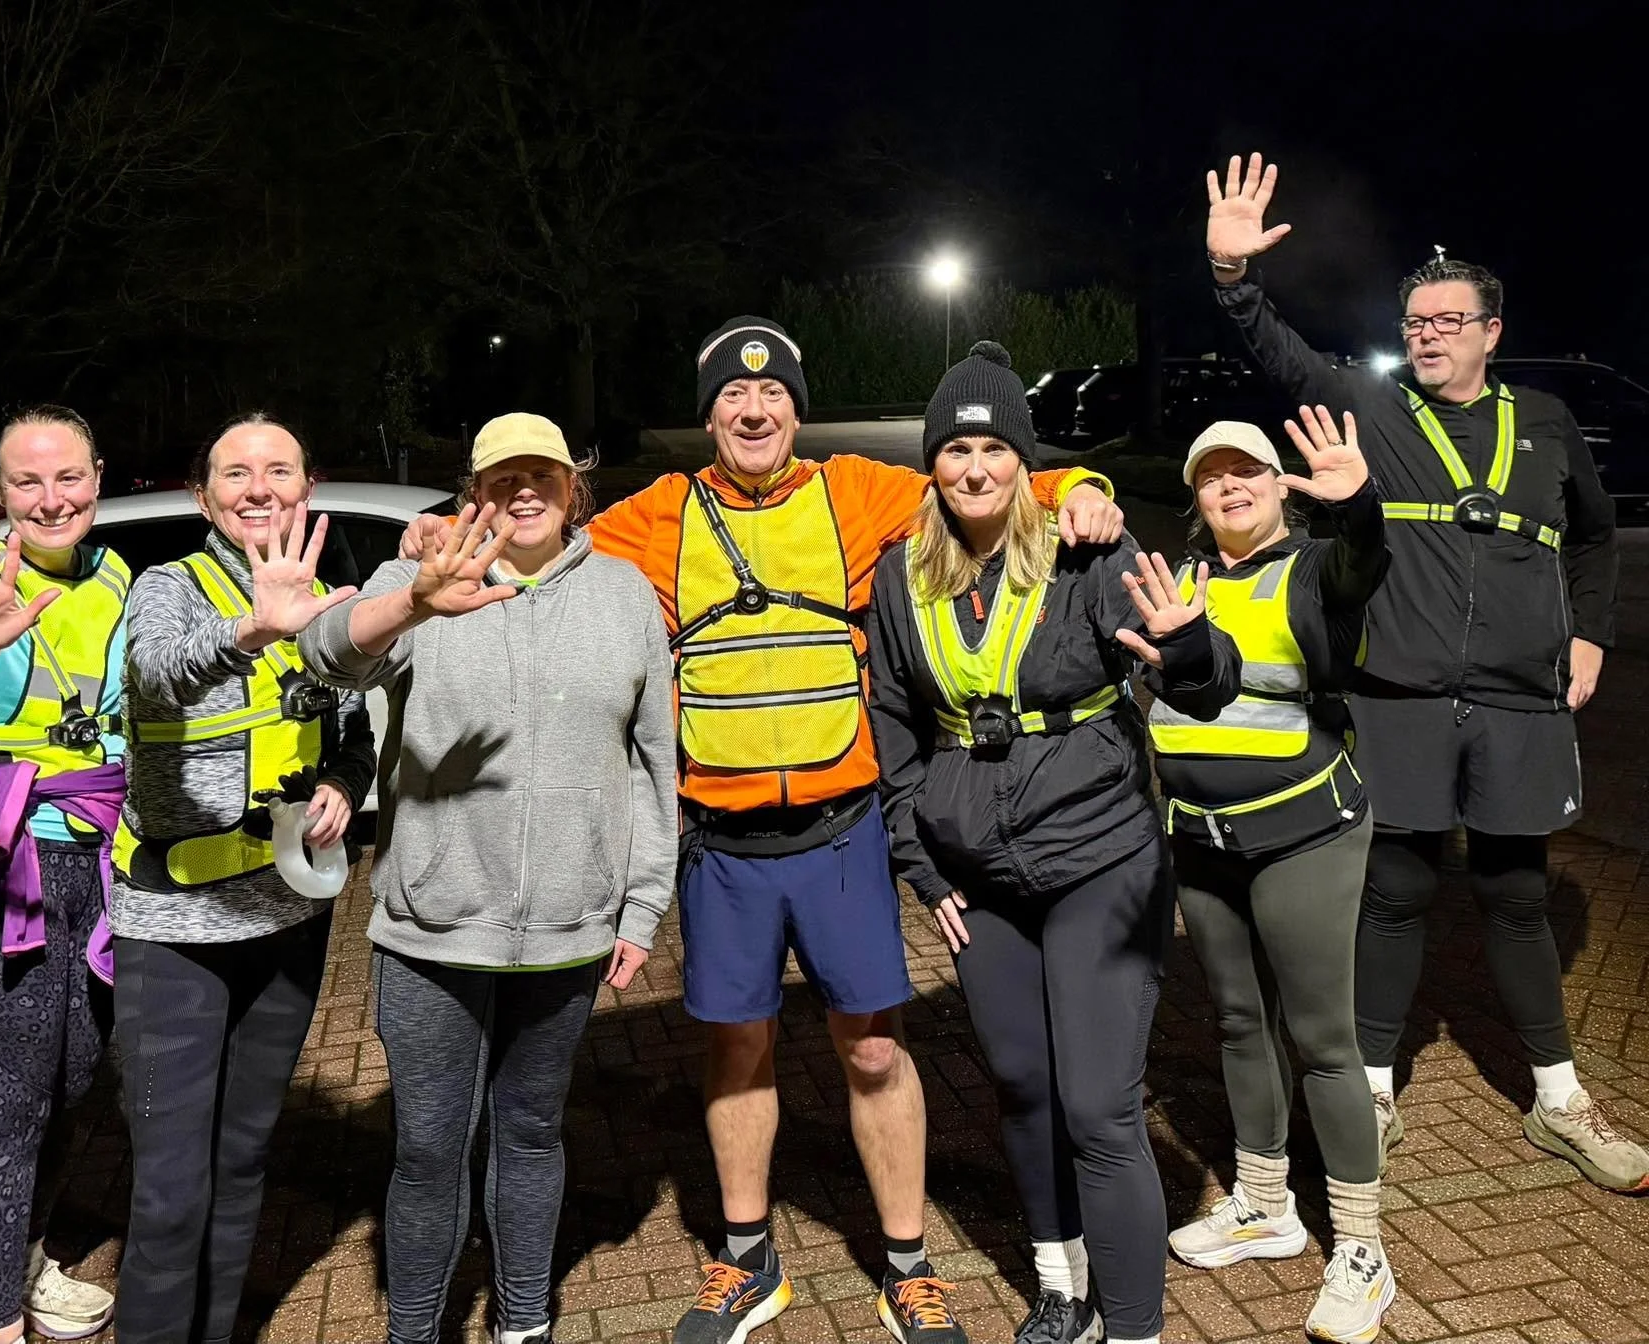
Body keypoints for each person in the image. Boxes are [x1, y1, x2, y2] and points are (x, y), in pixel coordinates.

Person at [406, 316, 1123, 1344]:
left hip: (840, 833)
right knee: (736, 1047)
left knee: (872, 1052)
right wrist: (433, 532)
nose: (753, 410)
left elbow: (981, 490)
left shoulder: (853, 491)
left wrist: (1075, 489)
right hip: (721, 843)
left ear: (795, 406)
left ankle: (906, 1267)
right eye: (732, 400)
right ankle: (748, 1259)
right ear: (707, 419)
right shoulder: (653, 517)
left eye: (773, 395)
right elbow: (535, 539)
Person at [1205, 152, 1646, 1194]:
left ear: (1491, 332)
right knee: (1393, 893)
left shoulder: (1538, 424)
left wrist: (1588, 634)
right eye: (1414, 322)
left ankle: (1555, 1098)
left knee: (1513, 894)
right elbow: (1277, 358)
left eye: (1447, 321)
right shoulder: (1368, 405)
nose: (1425, 334)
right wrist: (1232, 281)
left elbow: (1589, 538)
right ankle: (1367, 1087)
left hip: (1515, 701)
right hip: (1394, 696)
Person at [866, 342, 1240, 1344]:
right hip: (978, 875)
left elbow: (1200, 686)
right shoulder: (899, 578)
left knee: (1097, 1106)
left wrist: (1195, 648)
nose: (973, 467)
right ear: (932, 466)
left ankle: (1132, 1329)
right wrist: (918, 857)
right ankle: (1059, 1286)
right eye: (954, 449)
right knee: (1022, 1084)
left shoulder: (1088, 551)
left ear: (1022, 463)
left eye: (992, 446)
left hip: (1097, 858)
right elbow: (893, 731)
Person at [300, 412, 676, 1344]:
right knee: (428, 1149)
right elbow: (325, 656)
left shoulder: (626, 596)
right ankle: (415, 1331)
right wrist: (418, 600)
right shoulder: (421, 581)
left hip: (569, 927)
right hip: (432, 931)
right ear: (473, 490)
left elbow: (653, 764)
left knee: (534, 1135)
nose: (522, 491)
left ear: (570, 487)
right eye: (500, 476)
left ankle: (521, 1323)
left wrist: (642, 904)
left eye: (541, 474)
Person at [110, 414, 376, 1343]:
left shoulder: (325, 597)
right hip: (174, 932)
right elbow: (156, 677)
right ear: (203, 494)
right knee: (172, 1194)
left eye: (280, 471)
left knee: (245, 1164)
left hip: (287, 926)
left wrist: (343, 782)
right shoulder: (166, 589)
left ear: (308, 491)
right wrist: (254, 628)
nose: (259, 487)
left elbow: (353, 731)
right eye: (236, 472)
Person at [1149, 412, 1398, 1342]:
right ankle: (1266, 1203)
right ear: (1197, 497)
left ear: (1277, 484)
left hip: (1303, 835)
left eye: (1248, 470)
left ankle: (1364, 1249)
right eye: (1212, 476)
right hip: (1201, 841)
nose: (1231, 486)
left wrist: (1361, 507)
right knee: (1239, 1019)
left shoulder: (1312, 568)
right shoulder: (1176, 581)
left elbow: (1362, 563)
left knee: (1323, 1039)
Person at [0, 407, 128, 1343]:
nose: (53, 498)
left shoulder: (115, 575)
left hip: (98, 863)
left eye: (70, 477)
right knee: (6, 1102)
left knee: (77, 1077)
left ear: (97, 478)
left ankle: (23, 1258)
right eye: (28, 482)